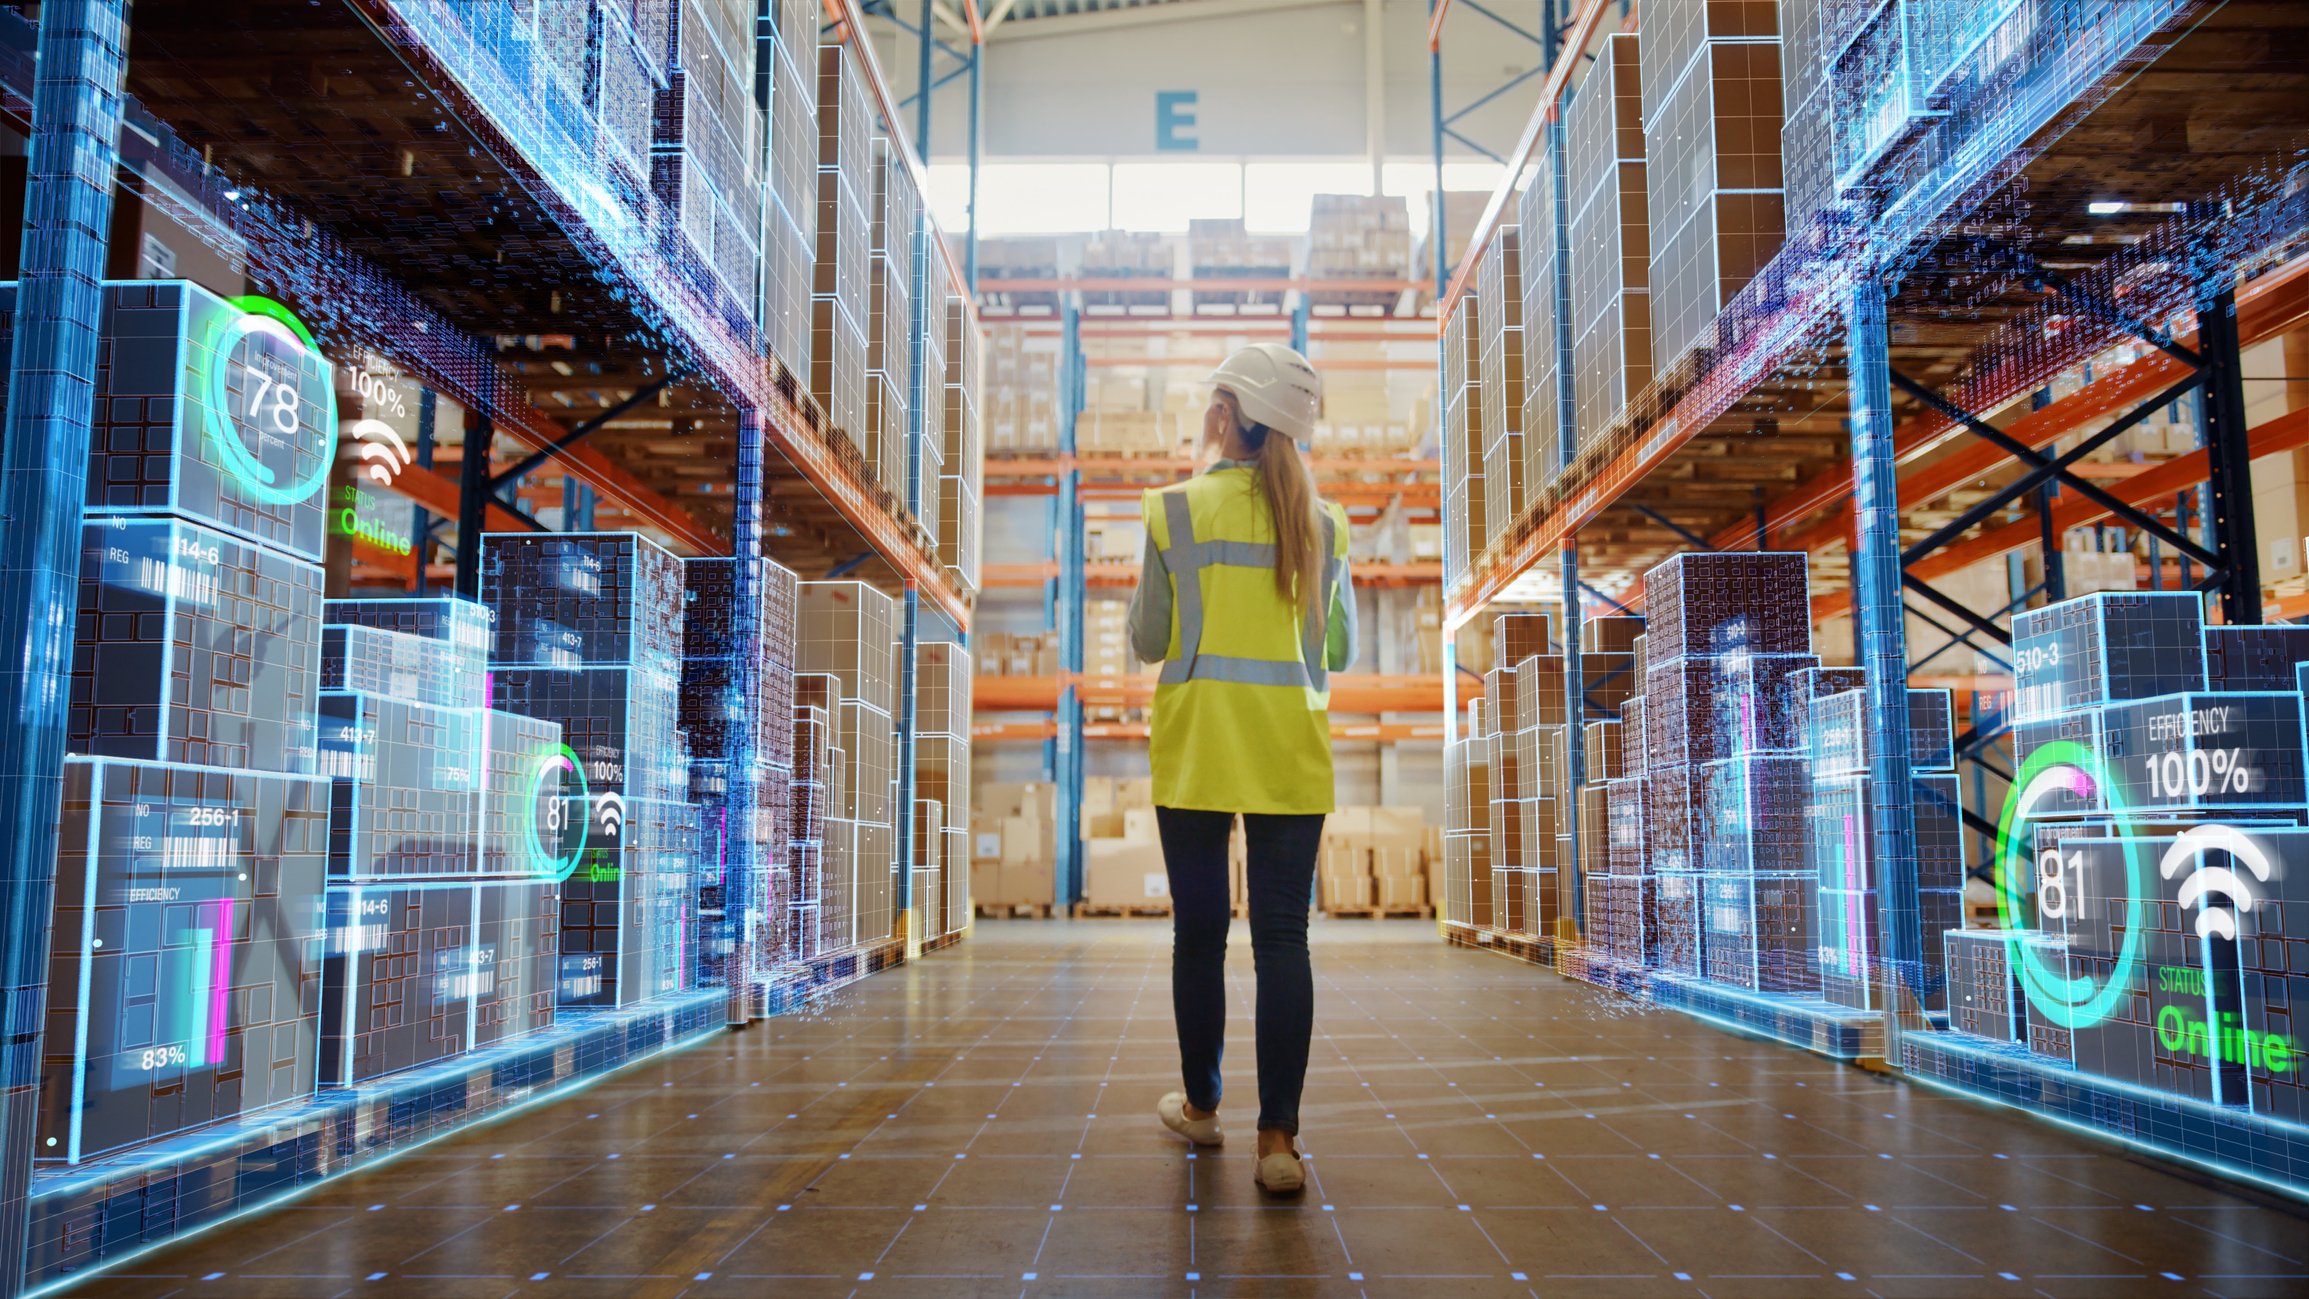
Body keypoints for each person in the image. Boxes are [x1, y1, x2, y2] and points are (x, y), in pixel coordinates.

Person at [1126, 342, 1354, 1195]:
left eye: (1211, 400)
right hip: (1289, 755)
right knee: (1282, 940)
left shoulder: (1172, 511)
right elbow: (1338, 648)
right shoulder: (1324, 526)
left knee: (1199, 935)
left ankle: (1201, 1105)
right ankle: (1278, 1144)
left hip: (1194, 752)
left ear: (1228, 414)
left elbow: (1150, 639)